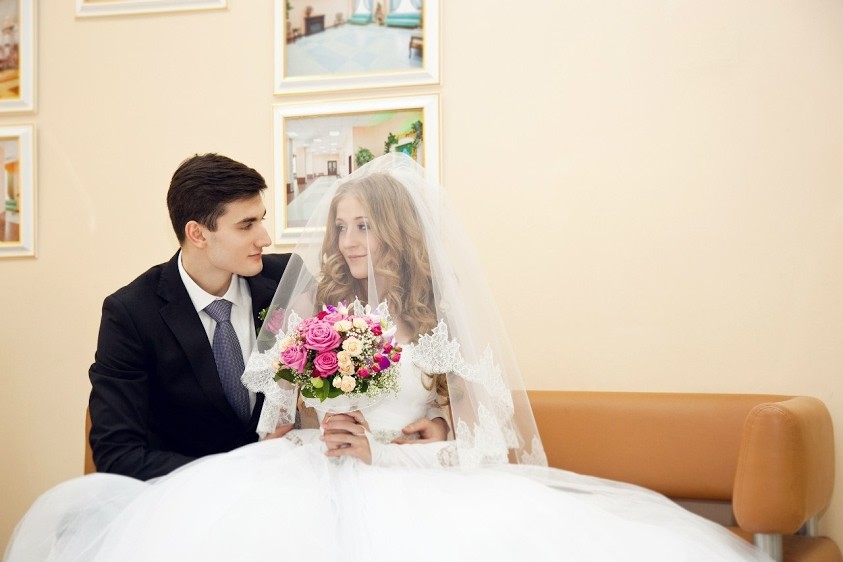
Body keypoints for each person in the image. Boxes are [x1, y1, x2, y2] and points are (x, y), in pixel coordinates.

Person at [5, 154, 773, 562]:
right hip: (297, 479)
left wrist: (415, 441)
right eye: (339, 228)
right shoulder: (288, 304)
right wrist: (295, 437)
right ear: (197, 234)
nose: (342, 243)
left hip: (411, 490)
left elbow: (483, 440)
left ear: (398, 231)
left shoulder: (401, 311)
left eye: (362, 227)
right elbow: (271, 418)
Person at [86, 152, 295, 480]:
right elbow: (117, 455)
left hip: (284, 483)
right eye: (246, 225)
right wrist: (237, 471)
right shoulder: (130, 314)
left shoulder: (286, 280)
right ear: (197, 234)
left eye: (261, 220)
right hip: (184, 495)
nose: (265, 238)